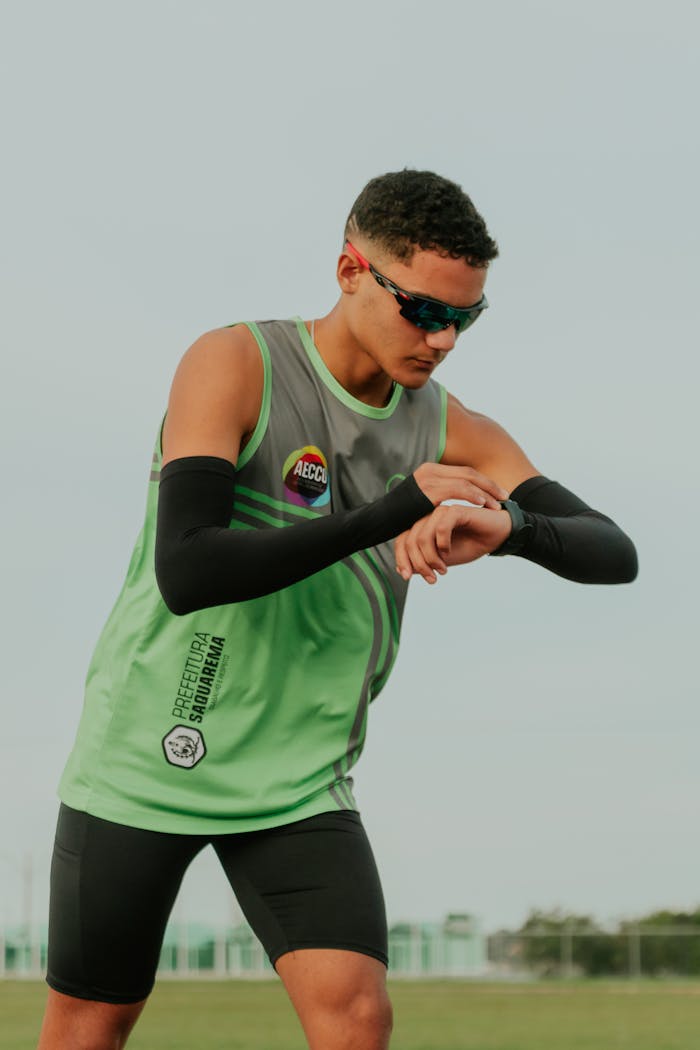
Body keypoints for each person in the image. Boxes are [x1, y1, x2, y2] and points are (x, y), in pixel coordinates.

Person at [38, 169, 637, 1050]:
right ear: (351, 269)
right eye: (424, 310)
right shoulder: (235, 361)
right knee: (92, 1025)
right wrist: (393, 512)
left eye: (465, 318)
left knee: (357, 1017)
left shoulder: (450, 427)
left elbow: (611, 551)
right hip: (147, 753)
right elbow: (188, 567)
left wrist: (503, 526)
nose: (443, 340)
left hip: (300, 779)